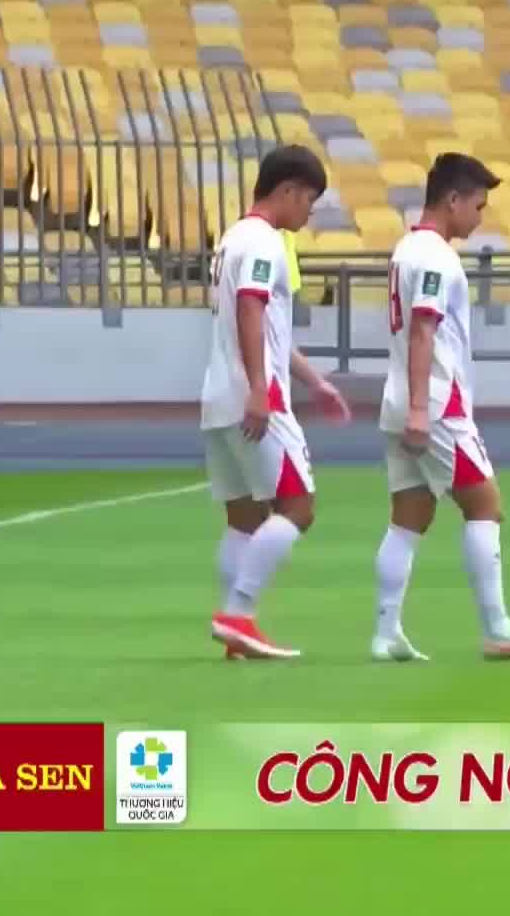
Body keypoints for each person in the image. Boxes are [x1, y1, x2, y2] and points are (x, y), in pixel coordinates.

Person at [370, 153, 510, 661]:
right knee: (486, 505)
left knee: (408, 516)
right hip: (435, 402)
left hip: (400, 397)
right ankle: (498, 629)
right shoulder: (435, 256)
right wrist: (421, 407)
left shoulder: (405, 249)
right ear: (452, 200)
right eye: (477, 205)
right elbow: (423, 328)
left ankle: (386, 631)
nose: (480, 217)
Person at [202, 145, 351, 660]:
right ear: (288, 190)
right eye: (309, 200)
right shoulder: (265, 243)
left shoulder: (233, 240)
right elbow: (252, 310)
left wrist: (314, 381)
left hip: (218, 395)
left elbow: (266, 326)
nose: (308, 214)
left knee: (243, 517)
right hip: (254, 397)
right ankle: (238, 612)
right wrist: (262, 390)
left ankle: (235, 628)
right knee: (298, 507)